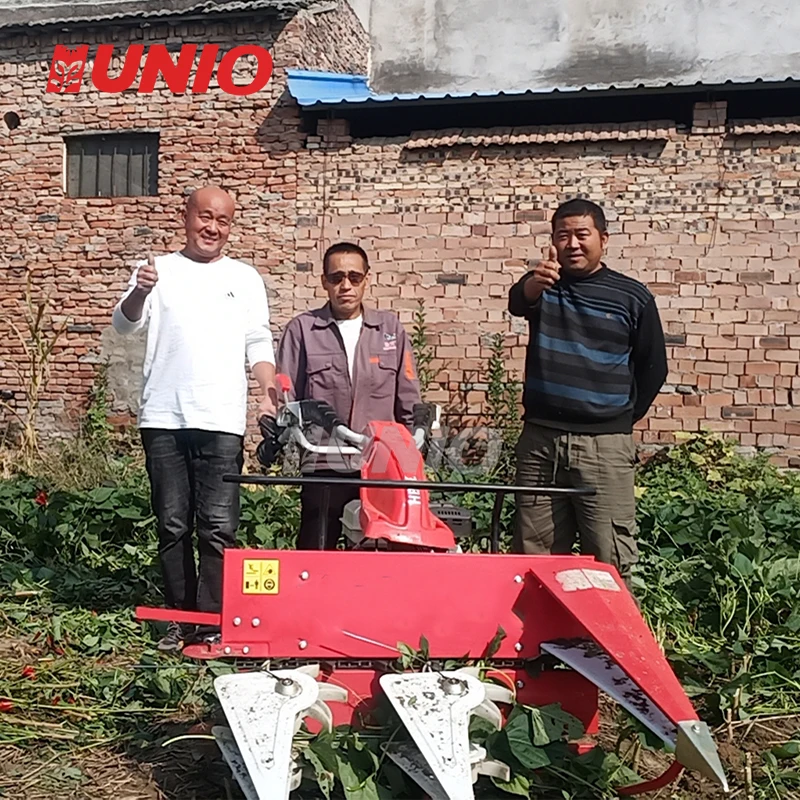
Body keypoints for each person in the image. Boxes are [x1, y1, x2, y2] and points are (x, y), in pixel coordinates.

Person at [111, 185, 277, 650]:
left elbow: (258, 341)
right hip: (164, 417)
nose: (213, 228)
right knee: (172, 523)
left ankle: (210, 622)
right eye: (205, 217)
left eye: (223, 221)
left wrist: (269, 392)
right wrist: (139, 293)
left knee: (219, 527)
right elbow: (124, 324)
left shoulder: (244, 278)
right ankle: (179, 620)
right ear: (186, 217)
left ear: (231, 226)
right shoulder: (157, 270)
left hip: (222, 420)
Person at [507, 198, 667, 590]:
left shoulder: (632, 296)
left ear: (603, 239)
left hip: (604, 446)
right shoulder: (543, 285)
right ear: (553, 242)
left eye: (582, 234)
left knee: (609, 555)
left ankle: (608, 648)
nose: (573, 244)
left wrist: (619, 418)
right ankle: (535, 647)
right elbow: (517, 301)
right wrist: (533, 283)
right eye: (563, 235)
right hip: (540, 441)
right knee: (533, 550)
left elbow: (653, 367)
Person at [276, 242, 421, 549]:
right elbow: (288, 398)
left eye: (354, 277)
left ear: (367, 280)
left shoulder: (390, 330)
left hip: (379, 465)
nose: (346, 286)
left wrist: (410, 452)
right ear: (324, 281)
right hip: (323, 461)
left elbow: (409, 398)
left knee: (381, 552)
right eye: (337, 277)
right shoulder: (303, 330)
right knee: (316, 554)